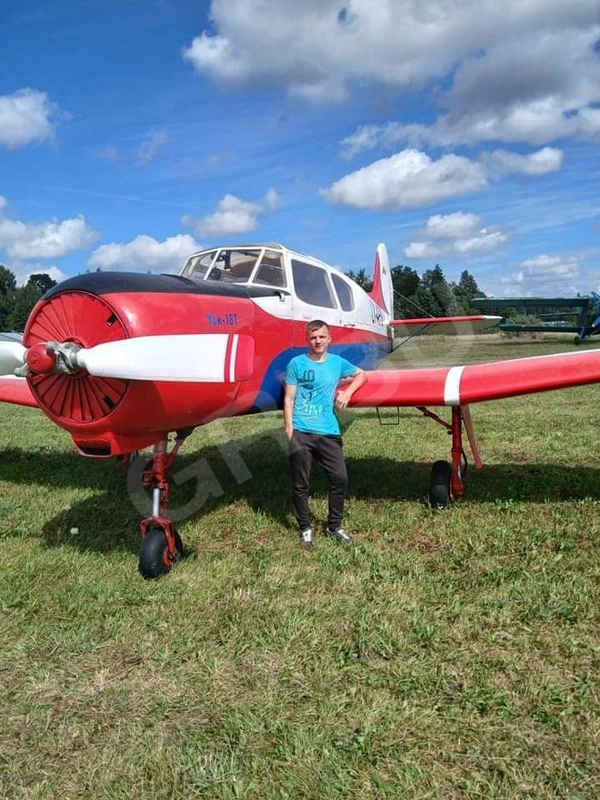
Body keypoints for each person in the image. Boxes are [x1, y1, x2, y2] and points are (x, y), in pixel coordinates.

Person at [284, 320, 367, 548]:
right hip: (301, 431)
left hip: (328, 431)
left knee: (339, 478)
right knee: (301, 484)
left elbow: (362, 375)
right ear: (307, 340)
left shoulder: (338, 363)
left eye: (322, 337)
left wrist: (347, 392)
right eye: (313, 337)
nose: (317, 341)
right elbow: (289, 399)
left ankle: (334, 526)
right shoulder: (296, 364)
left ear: (329, 339)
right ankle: (305, 529)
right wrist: (290, 430)